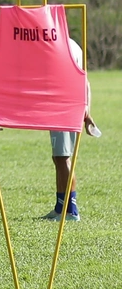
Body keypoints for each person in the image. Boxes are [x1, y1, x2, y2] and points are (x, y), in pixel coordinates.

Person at [44, 35, 96, 222]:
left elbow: (81, 82)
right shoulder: (72, 45)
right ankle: (60, 208)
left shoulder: (64, 47)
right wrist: (87, 110)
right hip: (61, 108)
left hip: (64, 108)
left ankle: (71, 210)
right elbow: (86, 82)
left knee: (64, 159)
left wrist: (85, 111)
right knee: (58, 158)